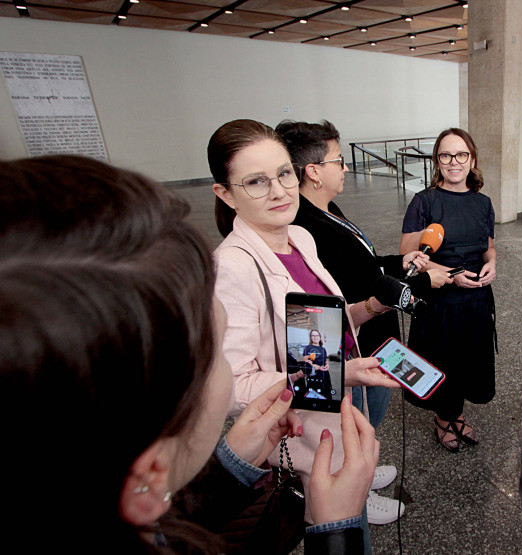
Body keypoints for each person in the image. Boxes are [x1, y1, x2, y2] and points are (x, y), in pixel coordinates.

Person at [0, 155, 377, 553]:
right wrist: (336, 532)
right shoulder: (234, 264)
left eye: (284, 173)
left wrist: (229, 467)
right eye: (212, 353)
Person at [208, 119, 402, 542]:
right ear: (225, 193)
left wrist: (370, 308)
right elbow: (232, 387)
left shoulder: (298, 238)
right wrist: (337, 374)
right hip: (305, 436)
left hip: (341, 408)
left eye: (282, 174)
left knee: (351, 493)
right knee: (343, 532)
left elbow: (315, 324)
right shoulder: (234, 268)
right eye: (256, 182)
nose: (279, 191)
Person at [276, 119, 452, 522]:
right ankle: (351, 489)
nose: (347, 168)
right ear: (314, 171)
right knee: (350, 421)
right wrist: (424, 279)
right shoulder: (305, 226)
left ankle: (364, 472)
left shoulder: (326, 209)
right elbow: (351, 288)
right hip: (354, 339)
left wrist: (400, 261)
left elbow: (364, 266)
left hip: (373, 331)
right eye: (338, 160)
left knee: (367, 420)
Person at [400, 127, 497, 452]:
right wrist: (450, 274)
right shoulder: (424, 202)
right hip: (440, 302)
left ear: (472, 159)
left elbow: (488, 246)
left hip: (476, 300)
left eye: (461, 155)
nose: (453, 162)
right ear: (436, 161)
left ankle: (457, 412)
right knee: (443, 361)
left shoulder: (482, 203)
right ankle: (444, 419)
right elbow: (408, 257)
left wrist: (492, 262)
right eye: (446, 155)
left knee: (467, 361)